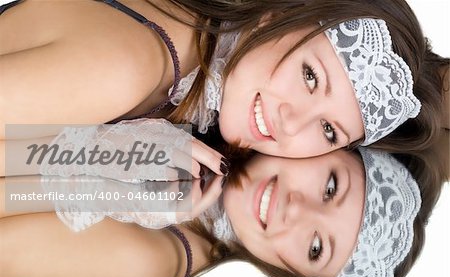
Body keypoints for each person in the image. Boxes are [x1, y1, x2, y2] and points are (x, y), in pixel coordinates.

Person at [0, 0, 448, 174]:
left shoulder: (185, 83)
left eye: (328, 130)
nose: (290, 124)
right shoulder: (134, 63)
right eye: (310, 76)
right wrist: (114, 152)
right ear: (278, 17)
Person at [0, 147, 443, 277]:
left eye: (315, 248)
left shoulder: (147, 261)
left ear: (295, 275)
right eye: (330, 187)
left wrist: (114, 161)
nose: (296, 210)